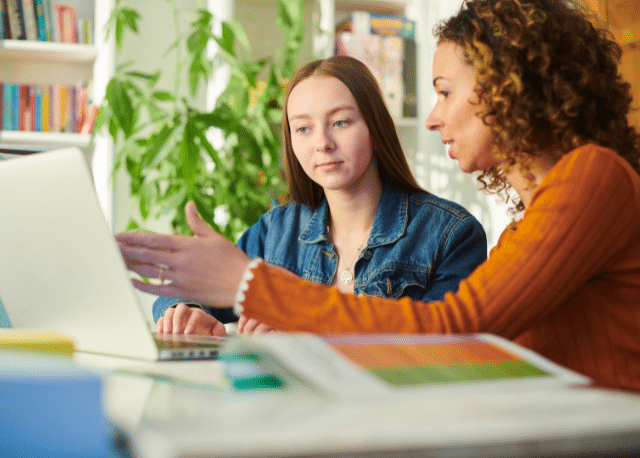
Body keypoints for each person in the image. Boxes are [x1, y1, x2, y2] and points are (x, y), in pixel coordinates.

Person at [116, 0, 640, 390]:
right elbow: (482, 354)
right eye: (301, 128)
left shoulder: (593, 177)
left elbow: (453, 331)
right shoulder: (539, 210)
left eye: (445, 91)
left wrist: (251, 284)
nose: (433, 117)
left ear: (509, 84)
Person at [150, 55, 487, 336]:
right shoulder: (275, 233)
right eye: (303, 128)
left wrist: (305, 330)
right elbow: (182, 296)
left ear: (375, 126)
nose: (322, 143)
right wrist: (186, 312)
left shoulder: (450, 234)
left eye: (340, 122)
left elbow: (444, 349)